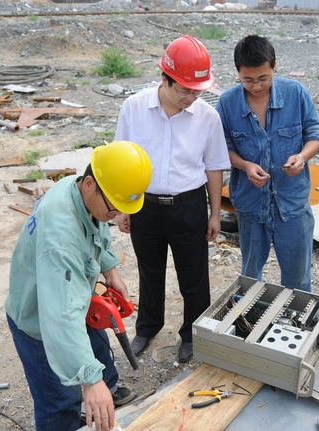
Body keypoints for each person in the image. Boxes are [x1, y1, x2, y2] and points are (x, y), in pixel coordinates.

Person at [5, 141, 152, 431]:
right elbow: (61, 317)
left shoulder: (78, 190)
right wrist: (90, 380)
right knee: (60, 402)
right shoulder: (60, 239)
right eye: (114, 207)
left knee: (97, 346)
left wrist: (110, 271)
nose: (117, 214)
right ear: (89, 184)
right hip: (39, 320)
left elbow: (96, 230)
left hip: (71, 294)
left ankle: (106, 389)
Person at [114, 35, 230, 363]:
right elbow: (121, 159)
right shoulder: (134, 108)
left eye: (197, 91)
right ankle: (148, 327)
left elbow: (214, 168)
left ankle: (193, 334)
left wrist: (214, 213)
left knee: (194, 275)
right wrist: (123, 207)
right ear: (165, 79)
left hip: (188, 205)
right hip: (144, 205)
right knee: (149, 271)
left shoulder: (207, 117)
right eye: (185, 90)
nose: (191, 98)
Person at [216, 35, 319, 293]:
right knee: (251, 277)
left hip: (293, 204)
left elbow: (317, 134)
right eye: (248, 80)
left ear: (274, 66)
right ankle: (252, 315)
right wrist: (245, 166)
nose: (256, 86)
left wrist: (302, 157)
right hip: (251, 205)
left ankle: (296, 316)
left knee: (298, 280)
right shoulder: (228, 102)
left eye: (264, 78)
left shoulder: (295, 93)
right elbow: (222, 148)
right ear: (238, 72)